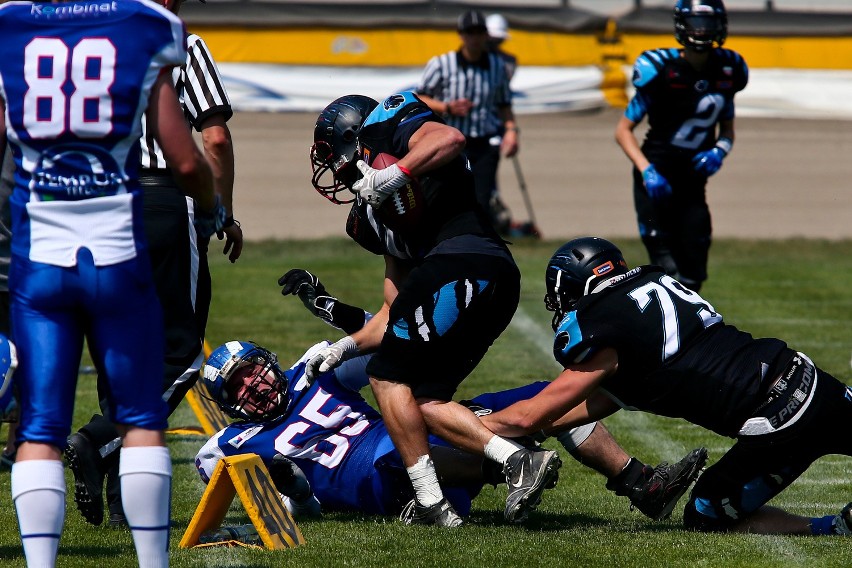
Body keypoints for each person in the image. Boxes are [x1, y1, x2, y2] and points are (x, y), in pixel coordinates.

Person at [0, 0, 223, 565]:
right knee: (143, 413)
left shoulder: (15, 27)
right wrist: (212, 207)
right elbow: (192, 160)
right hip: (116, 242)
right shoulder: (142, 30)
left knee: (40, 422)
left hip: (42, 248)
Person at [480, 236, 852, 536]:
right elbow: (578, 411)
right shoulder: (652, 289)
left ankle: (832, 528)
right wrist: (537, 430)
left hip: (778, 417)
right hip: (807, 375)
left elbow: (529, 417)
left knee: (705, 514)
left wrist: (466, 428)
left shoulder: (606, 328)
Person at [308, 91, 559, 527]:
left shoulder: (387, 125)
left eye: (333, 154)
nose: (333, 168)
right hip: (491, 279)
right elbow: (395, 310)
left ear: (353, 136)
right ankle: (504, 469)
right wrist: (344, 347)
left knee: (387, 378)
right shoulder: (370, 219)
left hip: (462, 261)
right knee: (419, 397)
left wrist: (394, 174)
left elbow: (450, 137)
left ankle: (447, 492)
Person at [275, 269, 707, 521]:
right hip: (390, 462)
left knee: (545, 398)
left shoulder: (310, 370)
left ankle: (640, 483)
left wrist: (326, 305)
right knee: (423, 427)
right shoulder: (237, 440)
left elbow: (381, 336)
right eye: (240, 385)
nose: (256, 386)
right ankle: (507, 467)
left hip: (402, 434)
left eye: (255, 372)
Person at [63, 0, 242, 530]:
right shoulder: (179, 41)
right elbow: (213, 137)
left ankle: (122, 499)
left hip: (98, 206)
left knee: (119, 350)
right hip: (164, 200)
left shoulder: (92, 45)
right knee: (181, 355)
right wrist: (221, 208)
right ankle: (98, 440)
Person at [614, 0, 748, 292]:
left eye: (708, 23)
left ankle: (686, 333)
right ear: (681, 26)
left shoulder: (730, 68)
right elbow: (623, 130)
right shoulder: (660, 68)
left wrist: (719, 151)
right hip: (656, 173)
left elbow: (727, 130)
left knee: (694, 266)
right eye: (695, 23)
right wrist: (646, 170)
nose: (702, 31)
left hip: (692, 179)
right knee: (665, 265)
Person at [416, 10, 521, 236]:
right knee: (443, 196)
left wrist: (511, 131)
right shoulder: (442, 64)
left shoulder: (496, 66)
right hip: (449, 142)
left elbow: (504, 104)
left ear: (486, 35)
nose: (474, 38)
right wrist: (447, 107)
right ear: (461, 35)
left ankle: (475, 244)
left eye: (479, 32)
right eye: (469, 33)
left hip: (484, 143)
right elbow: (420, 98)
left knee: (480, 200)